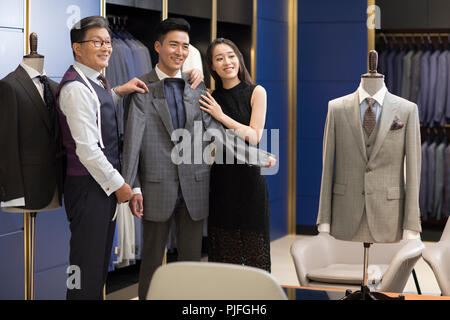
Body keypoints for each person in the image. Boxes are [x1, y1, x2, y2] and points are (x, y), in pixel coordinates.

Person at [122, 18, 275, 300]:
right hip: (156, 187)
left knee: (191, 264)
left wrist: (254, 155)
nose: (179, 51)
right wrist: (134, 187)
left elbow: (218, 133)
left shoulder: (198, 90)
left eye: (184, 46)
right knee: (153, 262)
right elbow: (132, 140)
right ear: (158, 47)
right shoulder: (142, 87)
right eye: (173, 45)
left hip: (195, 188)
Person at [56, 16, 149, 300]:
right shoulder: (75, 88)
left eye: (107, 42)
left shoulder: (96, 81)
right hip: (87, 189)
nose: (106, 47)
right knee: (83, 268)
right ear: (77, 47)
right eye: (96, 42)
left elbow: (97, 108)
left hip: (100, 188)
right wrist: (122, 186)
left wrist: (120, 91)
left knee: (96, 267)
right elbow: (87, 150)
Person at [199, 38, 271, 272]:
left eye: (231, 56)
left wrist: (221, 116)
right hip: (222, 179)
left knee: (253, 250)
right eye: (219, 58)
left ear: (239, 58)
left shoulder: (256, 92)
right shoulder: (209, 97)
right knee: (225, 251)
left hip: (250, 181)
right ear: (212, 66)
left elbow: (254, 136)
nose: (227, 62)